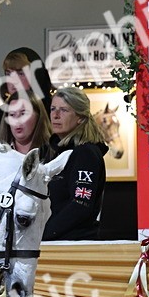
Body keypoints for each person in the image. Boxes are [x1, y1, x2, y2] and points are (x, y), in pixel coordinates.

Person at [43, 87, 108, 241]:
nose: (56, 115)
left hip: (73, 244)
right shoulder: (53, 151)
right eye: (53, 109)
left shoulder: (85, 153)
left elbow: (80, 205)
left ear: (80, 117)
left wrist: (43, 234)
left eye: (64, 110)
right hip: (56, 241)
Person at [0, 92, 53, 158]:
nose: (17, 120)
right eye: (12, 115)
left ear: (38, 116)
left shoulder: (53, 153)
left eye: (23, 113)